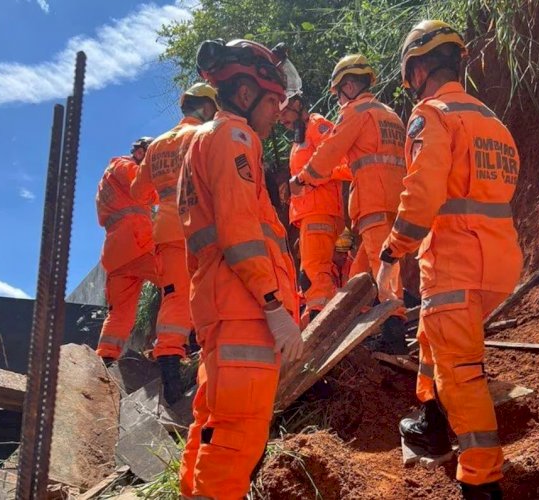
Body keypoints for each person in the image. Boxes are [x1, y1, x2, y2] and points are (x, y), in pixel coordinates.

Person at [376, 20, 523, 499]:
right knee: (432, 342)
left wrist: (392, 250)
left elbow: (422, 193)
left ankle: (483, 483)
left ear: (417, 68)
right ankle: (433, 426)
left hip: (456, 262)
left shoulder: (431, 114)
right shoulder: (492, 121)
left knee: (461, 377)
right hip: (497, 262)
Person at [176, 38, 303, 499]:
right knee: (236, 438)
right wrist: (273, 306)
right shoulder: (234, 136)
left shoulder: (206, 141)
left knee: (211, 426)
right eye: (273, 101)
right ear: (247, 94)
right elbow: (240, 232)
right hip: (245, 310)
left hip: (222, 309)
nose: (277, 113)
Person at [288, 54, 407, 348]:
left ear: (350, 85)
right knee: (359, 276)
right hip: (398, 199)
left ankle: (395, 332)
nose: (339, 99)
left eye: (340, 92)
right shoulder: (390, 114)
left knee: (385, 264)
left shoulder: (356, 111)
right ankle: (367, 333)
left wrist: (303, 179)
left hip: (373, 199)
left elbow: (331, 151)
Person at [129, 82, 218, 405]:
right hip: (196, 226)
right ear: (207, 107)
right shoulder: (204, 134)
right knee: (202, 295)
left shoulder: (157, 145)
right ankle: (189, 372)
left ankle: (170, 368)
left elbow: (139, 192)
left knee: (174, 298)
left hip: (165, 229)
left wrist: (164, 191)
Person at [279, 91, 344, 323]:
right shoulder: (301, 137)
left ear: (298, 103)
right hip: (311, 214)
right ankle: (319, 316)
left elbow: (341, 164)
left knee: (315, 273)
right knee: (316, 273)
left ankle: (322, 322)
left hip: (320, 212)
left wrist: (305, 180)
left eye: (284, 111)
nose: (281, 118)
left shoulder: (318, 126)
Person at [95, 137, 158, 365]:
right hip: (137, 241)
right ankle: (181, 341)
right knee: (179, 282)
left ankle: (105, 359)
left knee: (120, 312)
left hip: (117, 252)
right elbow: (147, 188)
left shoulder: (110, 177)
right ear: (141, 153)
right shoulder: (123, 166)